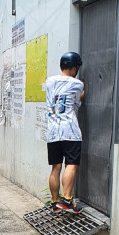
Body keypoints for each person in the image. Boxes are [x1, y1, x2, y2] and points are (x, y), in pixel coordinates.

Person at [45, 51, 85, 214]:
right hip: (69, 130)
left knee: (56, 167)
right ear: (74, 68)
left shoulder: (49, 81)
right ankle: (67, 200)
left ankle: (55, 202)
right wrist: (82, 94)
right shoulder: (77, 84)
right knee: (71, 164)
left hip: (52, 131)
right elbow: (76, 104)